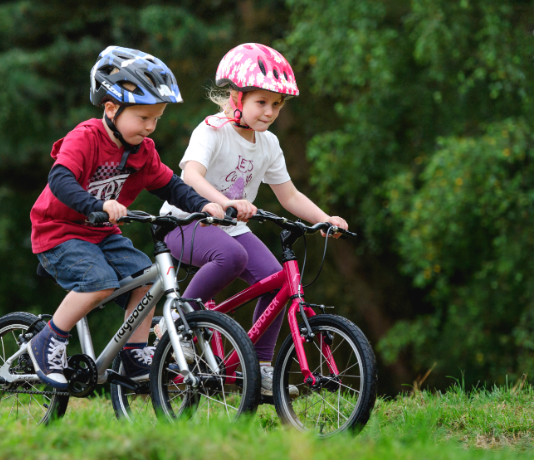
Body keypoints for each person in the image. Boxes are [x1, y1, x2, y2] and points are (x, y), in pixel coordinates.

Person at [28, 46, 225, 390]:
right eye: (143, 118)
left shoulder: (143, 151)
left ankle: (134, 353)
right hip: (59, 232)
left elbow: (170, 185)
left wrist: (203, 205)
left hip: (102, 234)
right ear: (110, 108)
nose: (150, 127)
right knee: (99, 281)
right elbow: (59, 180)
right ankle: (48, 341)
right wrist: (96, 204)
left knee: (147, 280)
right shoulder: (86, 138)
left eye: (156, 119)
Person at [159, 43, 349, 396]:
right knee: (232, 257)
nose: (270, 112)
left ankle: (260, 366)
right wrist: (225, 203)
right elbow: (191, 178)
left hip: (231, 225)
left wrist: (325, 219)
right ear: (236, 98)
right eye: (261, 102)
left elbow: (289, 196)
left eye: (276, 105)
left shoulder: (269, 144)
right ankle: (179, 320)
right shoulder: (211, 130)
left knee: (278, 281)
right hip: (185, 222)